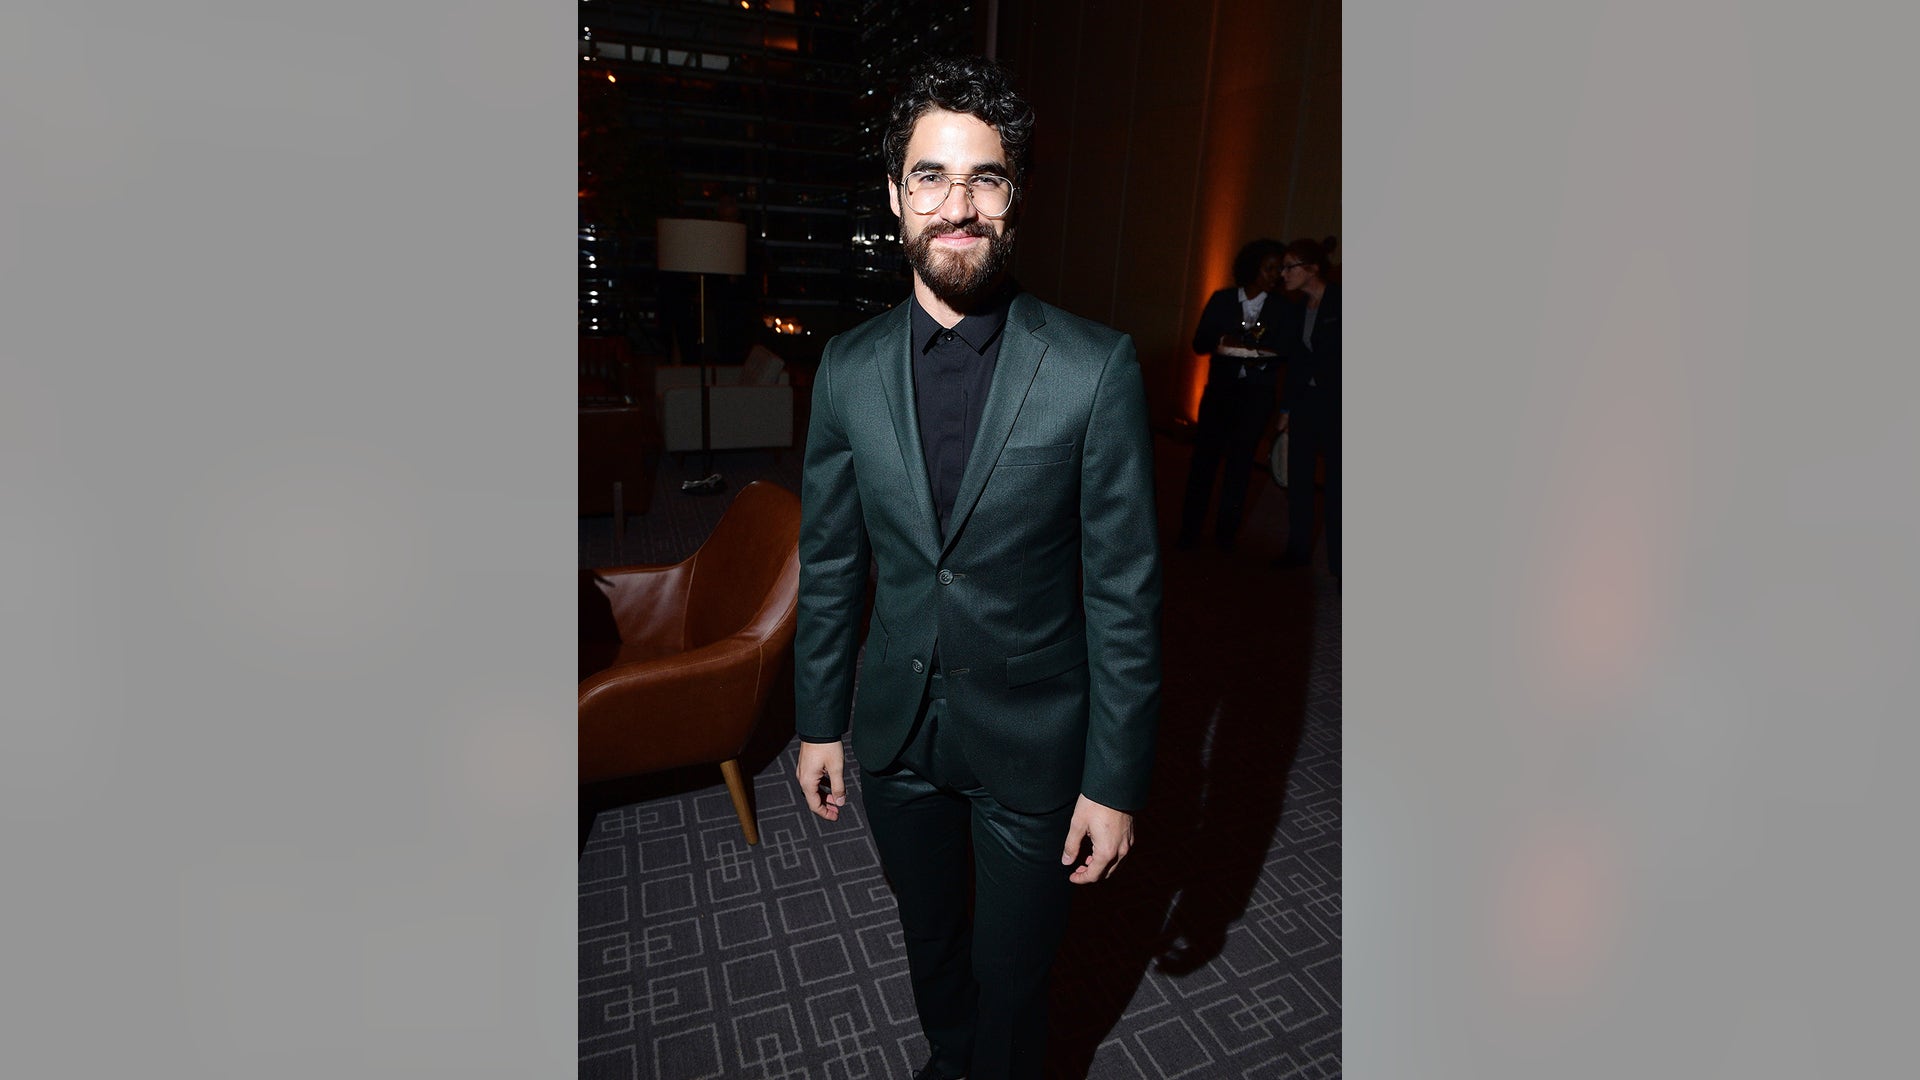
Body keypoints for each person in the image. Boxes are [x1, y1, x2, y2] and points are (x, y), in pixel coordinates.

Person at [792, 55, 1163, 1080]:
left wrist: (1114, 781)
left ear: (1016, 197)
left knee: (1016, 969)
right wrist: (819, 719)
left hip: (1037, 747)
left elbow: (1124, 595)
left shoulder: (1095, 367)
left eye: (985, 178)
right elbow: (829, 564)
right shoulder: (846, 367)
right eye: (931, 176)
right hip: (896, 737)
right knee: (931, 941)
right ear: (895, 196)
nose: (958, 204)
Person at [1177, 239, 1286, 551]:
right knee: (1203, 464)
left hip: (1256, 398)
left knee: (1239, 468)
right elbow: (1199, 344)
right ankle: (1189, 533)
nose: (1275, 275)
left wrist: (1254, 349)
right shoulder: (1223, 299)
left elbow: (1283, 352)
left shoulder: (1281, 307)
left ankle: (1225, 537)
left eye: (1279, 269)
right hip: (1220, 395)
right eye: (1270, 268)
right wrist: (1221, 338)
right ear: (1252, 268)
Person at [1269, 236, 1341, 576]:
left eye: (1289, 267)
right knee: (1298, 482)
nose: (1283, 274)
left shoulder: (1343, 301)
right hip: (1304, 405)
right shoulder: (1296, 310)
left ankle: (1340, 564)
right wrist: (1285, 411)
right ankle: (1297, 552)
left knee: (1338, 488)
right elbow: (1295, 366)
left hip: (1339, 407)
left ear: (1311, 269)